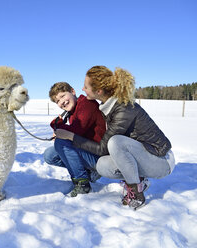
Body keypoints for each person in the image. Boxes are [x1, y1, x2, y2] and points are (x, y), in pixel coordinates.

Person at [55, 66, 175, 210]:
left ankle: (136, 193)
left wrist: (70, 136)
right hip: (143, 154)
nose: (83, 89)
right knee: (102, 166)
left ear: (98, 91)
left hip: (161, 161)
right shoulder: (109, 106)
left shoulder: (123, 109)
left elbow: (104, 147)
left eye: (86, 86)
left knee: (115, 142)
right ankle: (140, 180)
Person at [43, 82, 106, 197]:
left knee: (61, 142)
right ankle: (87, 172)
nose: (62, 102)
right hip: (86, 150)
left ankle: (82, 183)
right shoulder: (73, 112)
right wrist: (59, 127)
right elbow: (73, 134)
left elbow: (76, 131)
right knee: (49, 155)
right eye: (57, 101)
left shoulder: (87, 104)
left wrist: (57, 125)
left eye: (62, 96)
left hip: (99, 155)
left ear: (73, 91)